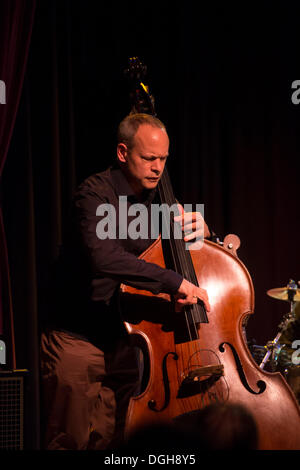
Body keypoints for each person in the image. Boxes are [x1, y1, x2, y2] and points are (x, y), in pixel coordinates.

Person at [40, 113, 212, 450]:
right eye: (148, 158)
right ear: (122, 153)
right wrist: (174, 282)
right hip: (78, 339)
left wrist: (207, 236)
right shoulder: (94, 194)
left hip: (126, 344)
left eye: (163, 159)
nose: (157, 168)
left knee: (112, 442)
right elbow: (106, 259)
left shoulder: (162, 202)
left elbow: (191, 260)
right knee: (70, 442)